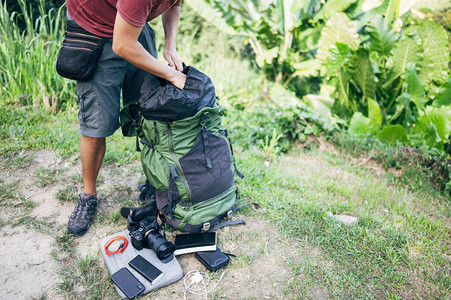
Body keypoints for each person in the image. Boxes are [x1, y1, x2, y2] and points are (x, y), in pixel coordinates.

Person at [65, 0, 186, 236]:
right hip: (95, 28)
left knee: (149, 109)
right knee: (96, 123)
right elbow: (122, 44)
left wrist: (170, 45)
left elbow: (174, 5)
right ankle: (88, 196)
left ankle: (156, 181)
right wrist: (171, 74)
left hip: (132, 26)